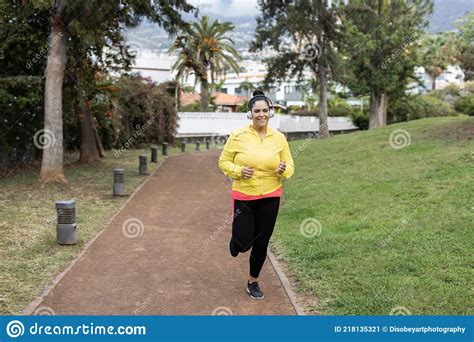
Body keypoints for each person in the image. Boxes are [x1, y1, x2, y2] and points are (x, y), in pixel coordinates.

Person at [217, 89, 295, 300]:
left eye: (265, 110)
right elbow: (223, 162)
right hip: (244, 194)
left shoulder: (279, 138)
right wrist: (239, 172)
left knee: (262, 242)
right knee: (243, 244)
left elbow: (290, 165)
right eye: (256, 111)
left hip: (271, 195)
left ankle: (253, 281)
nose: (261, 114)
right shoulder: (238, 136)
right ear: (250, 114)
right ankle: (236, 243)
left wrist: (283, 170)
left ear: (270, 112)